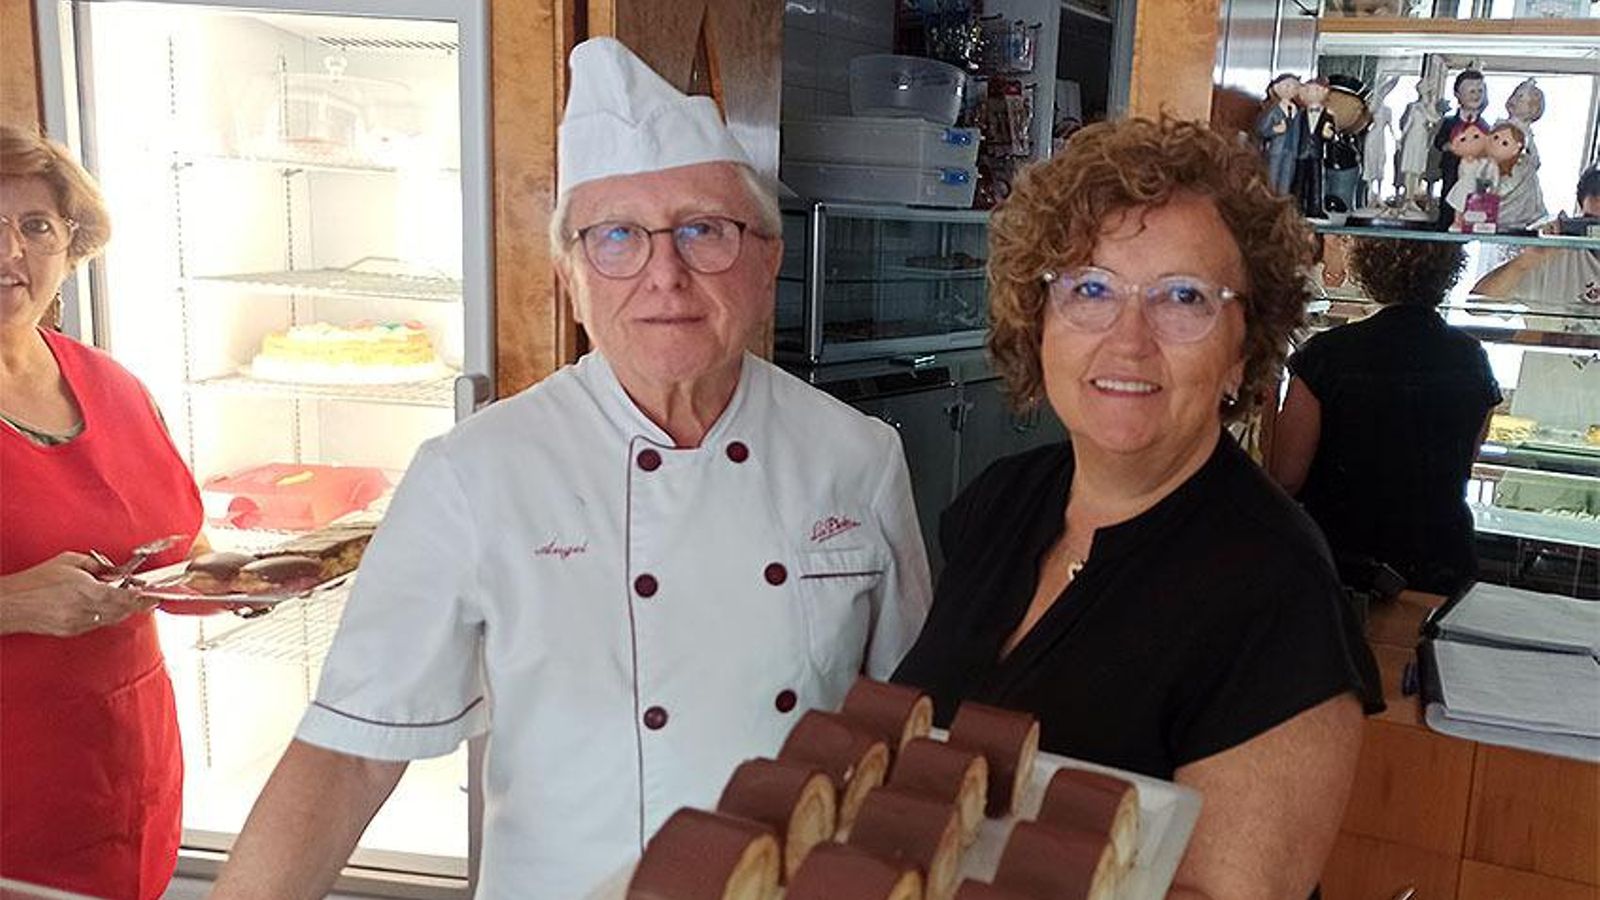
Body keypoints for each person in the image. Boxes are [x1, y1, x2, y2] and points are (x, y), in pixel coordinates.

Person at [212, 37, 931, 900]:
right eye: (617, 237)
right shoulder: (473, 475)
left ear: (769, 258)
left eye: (705, 230)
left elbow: (911, 724)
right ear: (569, 277)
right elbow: (351, 754)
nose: (664, 274)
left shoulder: (859, 455)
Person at [893, 117, 1377, 900]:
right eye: (1090, 288)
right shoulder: (999, 503)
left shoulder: (1278, 594)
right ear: (1037, 319)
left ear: (1243, 351)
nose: (1128, 340)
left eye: (1183, 297)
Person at [0, 124, 205, 899]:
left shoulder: (112, 384)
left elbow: (178, 544)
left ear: (71, 241)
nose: (11, 251)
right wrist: (12, 602)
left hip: (126, 783)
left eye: (36, 225)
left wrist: (239, 577)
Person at [1271, 238, 1501, 596]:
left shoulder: (1327, 353)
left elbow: (1285, 477)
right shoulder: (1472, 357)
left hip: (1342, 564)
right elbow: (1464, 460)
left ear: (1367, 268)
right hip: (1441, 561)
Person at [1473, 166, 1600, 307]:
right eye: (1592, 223)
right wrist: (1528, 259)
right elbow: (1478, 305)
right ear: (1580, 216)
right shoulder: (1556, 250)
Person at [1433, 69, 1488, 228]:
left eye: (1480, 91)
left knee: (1473, 200)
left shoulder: (1484, 126)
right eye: (1471, 91)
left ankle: (1470, 223)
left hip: (1475, 172)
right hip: (1452, 168)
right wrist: (1448, 146)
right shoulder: (1449, 123)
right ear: (1457, 94)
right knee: (1450, 197)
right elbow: (1439, 141)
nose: (1476, 95)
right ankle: (1446, 223)